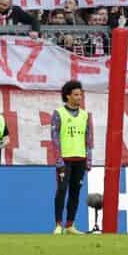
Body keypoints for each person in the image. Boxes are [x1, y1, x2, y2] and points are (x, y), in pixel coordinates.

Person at [52, 79, 92, 235]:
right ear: (67, 96)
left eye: (80, 94)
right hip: (65, 159)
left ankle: (70, 225)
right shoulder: (58, 113)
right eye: (76, 95)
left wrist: (88, 159)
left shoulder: (85, 115)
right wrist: (59, 160)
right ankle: (58, 224)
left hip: (80, 159)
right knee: (62, 190)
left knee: (76, 192)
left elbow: (88, 139)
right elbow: (55, 138)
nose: (79, 97)